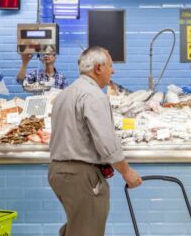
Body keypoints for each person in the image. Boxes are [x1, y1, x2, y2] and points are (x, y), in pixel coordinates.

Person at [48, 46, 142, 235]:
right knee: (88, 230)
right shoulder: (94, 95)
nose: (113, 71)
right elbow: (106, 141)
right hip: (82, 175)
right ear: (98, 68)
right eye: (110, 65)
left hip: (58, 172)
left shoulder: (64, 94)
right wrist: (126, 171)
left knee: (77, 226)